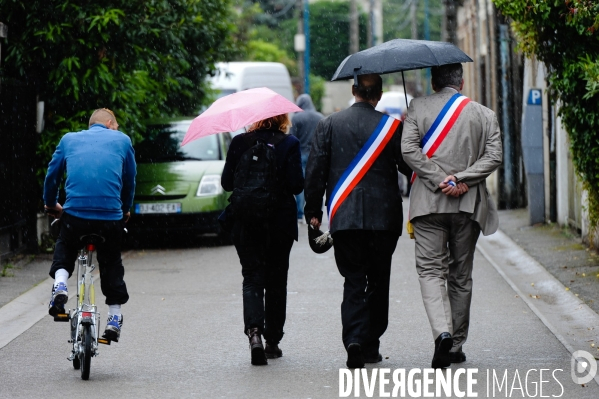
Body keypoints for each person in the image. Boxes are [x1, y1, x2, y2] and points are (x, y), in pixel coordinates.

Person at [304, 74, 412, 368]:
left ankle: (353, 339)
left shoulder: (328, 125)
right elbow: (409, 167)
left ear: (353, 91)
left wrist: (312, 210)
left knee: (353, 281)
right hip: (384, 220)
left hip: (346, 219)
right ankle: (370, 344)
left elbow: (315, 171)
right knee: (378, 282)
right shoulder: (392, 127)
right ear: (378, 94)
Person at [401, 63, 502, 368]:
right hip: (467, 206)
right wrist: (462, 179)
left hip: (428, 206)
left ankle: (441, 332)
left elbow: (408, 151)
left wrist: (437, 178)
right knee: (460, 275)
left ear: (433, 82)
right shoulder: (484, 114)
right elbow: (494, 156)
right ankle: (456, 345)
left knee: (431, 271)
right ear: (460, 82)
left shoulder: (417, 107)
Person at [44, 108, 136, 343]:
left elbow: (52, 176)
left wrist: (51, 203)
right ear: (109, 123)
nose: (117, 130)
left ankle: (60, 285)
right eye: (115, 125)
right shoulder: (123, 141)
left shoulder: (69, 140)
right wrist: (125, 209)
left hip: (76, 217)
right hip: (109, 219)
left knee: (65, 244)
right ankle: (114, 317)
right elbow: (129, 180)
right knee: (111, 260)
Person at [221, 113, 304, 366]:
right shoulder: (289, 144)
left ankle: (254, 333)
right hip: (280, 223)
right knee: (277, 281)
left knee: (252, 278)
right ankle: (273, 342)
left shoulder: (239, 142)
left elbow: (226, 183)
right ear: (283, 118)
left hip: (246, 221)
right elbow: (296, 185)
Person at [289, 94, 324, 222]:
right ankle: (314, 211)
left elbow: (292, 138)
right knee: (315, 183)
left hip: (301, 153)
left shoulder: (297, 118)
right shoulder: (320, 117)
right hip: (316, 155)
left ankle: (300, 213)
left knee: (301, 184)